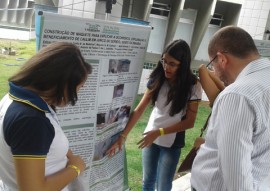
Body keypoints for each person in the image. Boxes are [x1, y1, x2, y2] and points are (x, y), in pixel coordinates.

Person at [107, 39, 202, 191]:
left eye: (172, 64)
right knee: (148, 182)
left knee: (164, 186)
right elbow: (139, 109)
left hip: (171, 143)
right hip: (150, 137)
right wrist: (122, 136)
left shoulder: (193, 86)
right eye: (164, 61)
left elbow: (190, 122)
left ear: (183, 64)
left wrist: (159, 132)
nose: (166, 67)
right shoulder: (158, 78)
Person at [0, 42, 92, 191]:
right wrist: (76, 168)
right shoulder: (31, 120)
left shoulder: (15, 99)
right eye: (79, 87)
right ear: (61, 83)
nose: (78, 93)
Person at [191, 26, 270, 191]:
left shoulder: (237, 95)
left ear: (221, 59)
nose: (216, 73)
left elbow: (237, 183)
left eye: (212, 65)